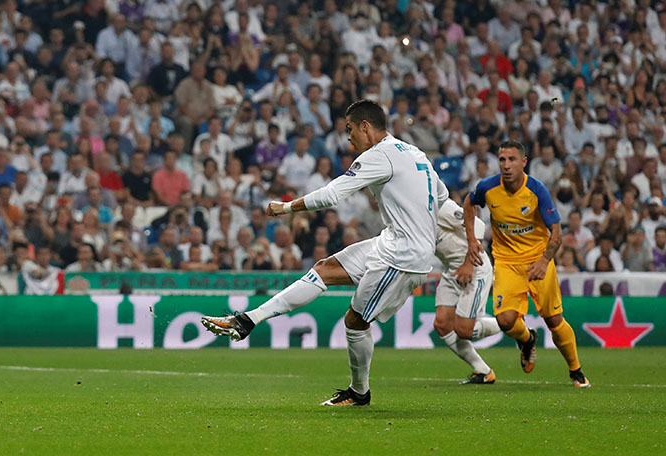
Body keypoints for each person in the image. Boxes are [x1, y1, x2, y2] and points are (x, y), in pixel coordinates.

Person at [202, 100, 448, 406]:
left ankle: (359, 393)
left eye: (349, 130)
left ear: (365, 127)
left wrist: (286, 207)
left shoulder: (379, 154)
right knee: (323, 268)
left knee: (355, 322)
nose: (348, 138)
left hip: (402, 256)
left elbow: (332, 195)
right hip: (392, 241)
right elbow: (441, 195)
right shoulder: (414, 153)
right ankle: (248, 320)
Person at [463, 141, 590, 388]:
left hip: (537, 261)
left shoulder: (537, 190)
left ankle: (576, 370)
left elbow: (556, 232)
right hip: (507, 262)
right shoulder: (488, 187)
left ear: (523, 162)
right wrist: (471, 239)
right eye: (502, 160)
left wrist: (544, 261)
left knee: (554, 321)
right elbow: (469, 204)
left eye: (512, 160)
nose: (506, 165)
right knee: (505, 321)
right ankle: (527, 339)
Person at [433, 199, 501, 384]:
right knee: (442, 324)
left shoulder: (437, 205)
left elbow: (477, 224)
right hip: (451, 271)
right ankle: (483, 371)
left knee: (463, 330)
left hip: (474, 266)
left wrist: (469, 264)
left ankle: (511, 323)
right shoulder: (409, 214)